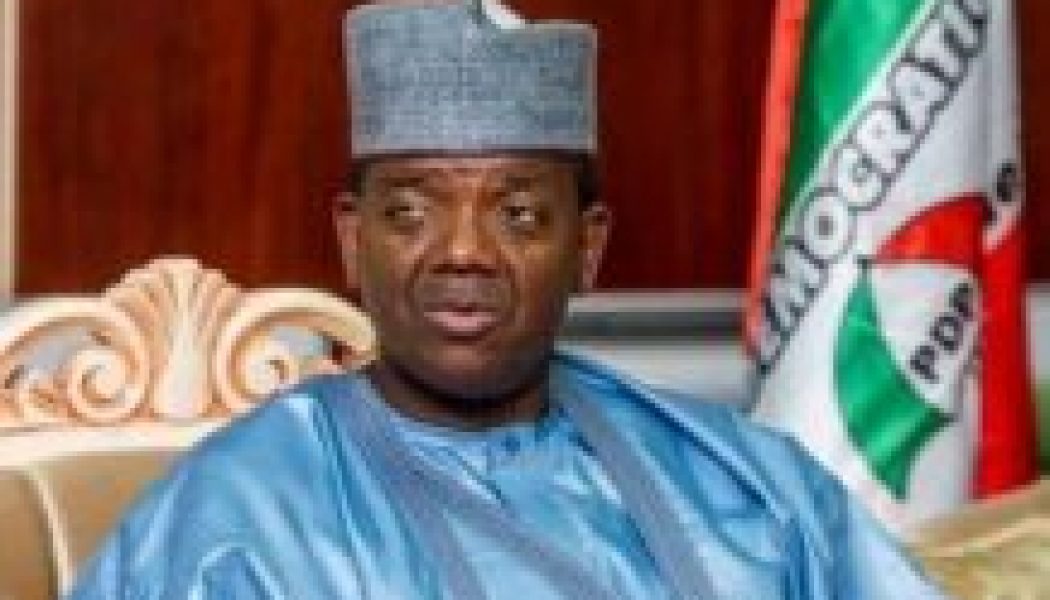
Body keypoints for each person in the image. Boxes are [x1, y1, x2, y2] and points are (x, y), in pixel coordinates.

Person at [69, 1, 947, 598]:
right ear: (352, 238)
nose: (464, 252)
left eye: (518, 213)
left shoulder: (748, 484)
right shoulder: (236, 521)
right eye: (411, 212)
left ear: (587, 246)